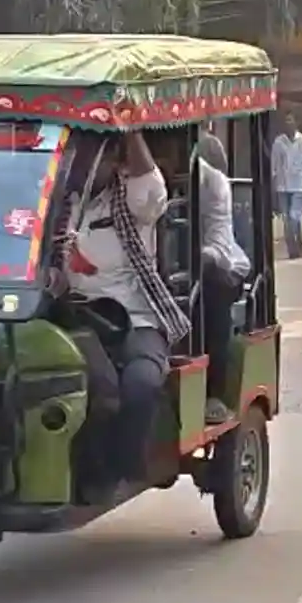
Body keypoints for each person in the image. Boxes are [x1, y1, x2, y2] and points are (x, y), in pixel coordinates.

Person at [50, 131, 190, 488]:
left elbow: (154, 192)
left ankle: (126, 468)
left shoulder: (131, 199)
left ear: (114, 159)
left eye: (95, 154)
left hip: (136, 317)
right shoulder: (56, 203)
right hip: (75, 318)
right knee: (92, 387)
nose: (84, 162)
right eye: (78, 152)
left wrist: (128, 127)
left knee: (141, 385)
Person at [195, 133, 251, 422]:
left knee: (210, 291)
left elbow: (219, 249)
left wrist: (189, 255)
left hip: (222, 266)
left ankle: (213, 391)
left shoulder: (212, 183)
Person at [271, 112, 302, 258]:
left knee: (294, 216)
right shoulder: (278, 143)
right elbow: (274, 166)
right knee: (286, 219)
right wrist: (273, 187)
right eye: (286, 121)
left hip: (299, 186)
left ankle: (299, 246)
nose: (288, 123)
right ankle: (292, 250)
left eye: (291, 120)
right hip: (283, 186)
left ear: (296, 123)